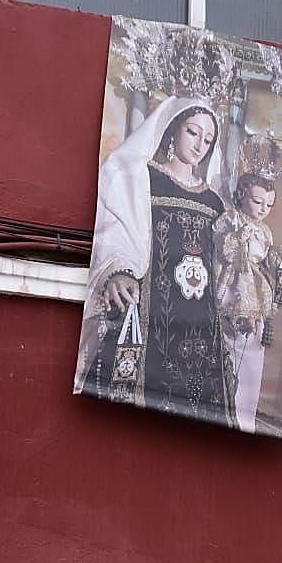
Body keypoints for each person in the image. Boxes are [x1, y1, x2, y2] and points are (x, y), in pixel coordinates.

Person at [74, 97, 235, 427]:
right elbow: (117, 226)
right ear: (173, 129)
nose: (200, 145)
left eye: (208, 139)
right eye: (193, 132)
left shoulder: (215, 202)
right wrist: (119, 269)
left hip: (201, 324)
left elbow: (221, 262)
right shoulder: (142, 178)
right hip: (149, 311)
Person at [214, 173, 282, 432]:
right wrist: (239, 238)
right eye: (258, 202)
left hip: (257, 294)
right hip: (233, 288)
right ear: (243, 195)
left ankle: (246, 417)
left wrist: (275, 259)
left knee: (253, 356)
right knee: (231, 352)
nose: (263, 210)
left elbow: (264, 260)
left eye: (268, 205)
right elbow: (225, 251)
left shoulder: (265, 231)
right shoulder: (230, 219)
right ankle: (226, 412)